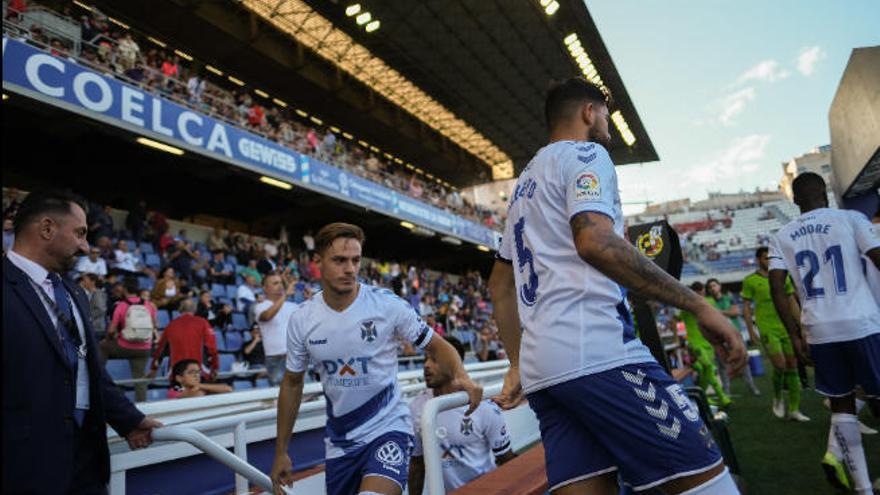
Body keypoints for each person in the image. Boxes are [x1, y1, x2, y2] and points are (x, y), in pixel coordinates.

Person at [487, 78, 745, 495]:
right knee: (710, 481)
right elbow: (595, 241)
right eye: (605, 113)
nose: (608, 123)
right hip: (597, 352)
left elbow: (499, 284)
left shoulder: (526, 184)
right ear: (589, 112)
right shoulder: (588, 154)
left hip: (544, 370)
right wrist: (698, 305)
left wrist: (517, 363)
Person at [270, 223, 482, 495]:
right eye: (339, 260)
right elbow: (291, 383)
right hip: (340, 444)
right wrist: (281, 451)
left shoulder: (386, 305)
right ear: (317, 262)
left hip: (389, 429)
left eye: (356, 261)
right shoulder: (302, 319)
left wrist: (462, 377)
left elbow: (439, 346)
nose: (350, 269)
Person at [2, 190, 160, 494]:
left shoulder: (74, 293)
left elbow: (89, 370)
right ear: (47, 229)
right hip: (23, 468)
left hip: (85, 463)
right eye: (80, 234)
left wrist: (129, 420)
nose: (86, 247)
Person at [768, 172, 880, 493]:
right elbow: (877, 257)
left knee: (842, 405)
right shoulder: (850, 219)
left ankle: (862, 489)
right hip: (861, 322)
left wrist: (794, 334)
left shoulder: (782, 234)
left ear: (794, 200)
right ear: (826, 194)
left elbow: (777, 288)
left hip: (819, 329)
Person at [409, 336, 515, 494]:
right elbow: (417, 464)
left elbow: (505, 459)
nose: (426, 365)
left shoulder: (485, 407)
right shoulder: (417, 407)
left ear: (454, 363)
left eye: (434, 360)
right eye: (425, 359)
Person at [741, 247, 809, 421]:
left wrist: (801, 324)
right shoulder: (750, 281)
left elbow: (791, 300)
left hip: (786, 327)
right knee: (780, 365)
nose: (768, 261)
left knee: (793, 366)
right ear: (758, 260)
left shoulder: (782, 277)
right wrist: (750, 330)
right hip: (767, 328)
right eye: (765, 258)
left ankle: (794, 409)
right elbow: (747, 308)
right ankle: (778, 396)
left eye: (770, 258)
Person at [100, 277, 159, 402]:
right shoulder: (149, 305)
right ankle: (143, 406)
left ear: (125, 290)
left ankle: (98, 375)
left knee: (103, 346)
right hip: (144, 348)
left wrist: (109, 339)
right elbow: (155, 326)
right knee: (140, 378)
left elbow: (111, 330)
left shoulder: (122, 305)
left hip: (125, 346)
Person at [677, 282, 732, 408]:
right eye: (698, 292)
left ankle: (715, 397)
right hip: (695, 342)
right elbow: (676, 319)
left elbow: (715, 318)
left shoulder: (709, 301)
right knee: (707, 366)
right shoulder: (685, 304)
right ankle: (712, 395)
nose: (700, 294)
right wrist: (679, 338)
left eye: (702, 292)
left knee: (709, 369)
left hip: (708, 341)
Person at [705, 278, 760, 397]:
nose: (712, 288)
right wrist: (725, 312)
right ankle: (726, 391)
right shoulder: (708, 302)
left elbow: (735, 312)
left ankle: (752, 386)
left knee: (743, 362)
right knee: (722, 366)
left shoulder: (728, 298)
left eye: (714, 285)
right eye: (710, 287)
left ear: (719, 286)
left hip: (735, 335)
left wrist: (717, 313)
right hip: (719, 338)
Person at [148, 299, 220, 381]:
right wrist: (215, 367)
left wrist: (154, 368)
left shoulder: (171, 325)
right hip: (199, 372)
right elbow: (212, 348)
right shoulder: (203, 323)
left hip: (177, 374)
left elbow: (160, 349)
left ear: (180, 309)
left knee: (180, 393)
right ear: (195, 309)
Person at [254, 272, 298, 385]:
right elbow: (267, 316)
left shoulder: (292, 306)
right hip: (276, 359)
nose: (280, 286)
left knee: (304, 396)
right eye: (275, 283)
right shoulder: (260, 306)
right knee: (281, 397)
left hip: (295, 357)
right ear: (265, 288)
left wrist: (311, 299)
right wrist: (285, 295)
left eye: (281, 283)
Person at [167, 359, 232, 399]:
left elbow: (228, 389)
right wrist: (205, 388)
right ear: (179, 378)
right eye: (191, 372)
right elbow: (198, 395)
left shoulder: (200, 387)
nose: (196, 375)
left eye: (198, 372)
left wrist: (199, 385)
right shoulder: (174, 390)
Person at [78, 272, 108, 337]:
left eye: (85, 280)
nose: (83, 282)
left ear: (93, 282)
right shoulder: (89, 293)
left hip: (97, 327)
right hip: (92, 327)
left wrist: (88, 316)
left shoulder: (98, 293)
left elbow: (101, 309)